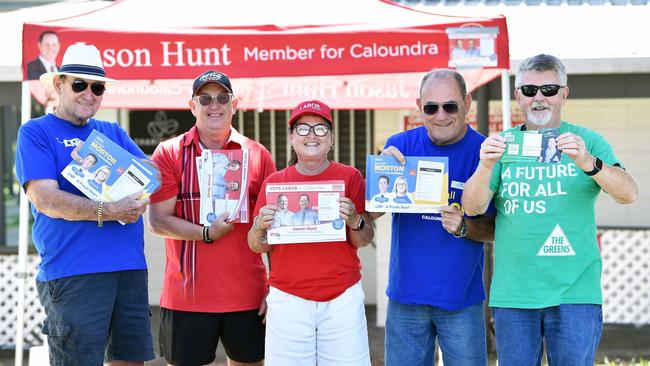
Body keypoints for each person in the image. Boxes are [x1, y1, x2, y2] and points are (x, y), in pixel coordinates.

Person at [462, 54, 639, 366]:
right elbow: (473, 207)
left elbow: (629, 194)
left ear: (564, 94)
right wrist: (485, 164)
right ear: (518, 96)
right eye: (530, 91)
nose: (539, 98)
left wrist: (589, 164)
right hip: (514, 295)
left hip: (575, 294)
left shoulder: (589, 141)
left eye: (549, 89)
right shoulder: (502, 145)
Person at [15, 43, 156, 365]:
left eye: (97, 87)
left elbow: (150, 179)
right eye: (79, 84)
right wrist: (109, 210)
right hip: (74, 271)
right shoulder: (35, 132)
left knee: (131, 359)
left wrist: (141, 192)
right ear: (59, 84)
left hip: (129, 268)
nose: (89, 93)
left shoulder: (112, 131)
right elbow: (46, 199)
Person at [148, 70, 276, 366]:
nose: (213, 105)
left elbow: (275, 230)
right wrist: (206, 233)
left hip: (248, 295)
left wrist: (275, 287)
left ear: (235, 104)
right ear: (192, 106)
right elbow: (157, 221)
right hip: (186, 297)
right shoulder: (169, 152)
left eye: (222, 98)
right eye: (205, 98)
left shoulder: (257, 154)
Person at [375, 69, 496, 366]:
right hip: (406, 298)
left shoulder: (485, 153)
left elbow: (495, 228)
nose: (440, 115)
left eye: (450, 106)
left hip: (461, 300)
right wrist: (383, 176)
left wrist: (464, 226)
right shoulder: (399, 145)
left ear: (467, 103)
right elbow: (372, 212)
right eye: (431, 107)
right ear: (419, 107)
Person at [248, 99, 374, 366]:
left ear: (331, 138)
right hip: (288, 298)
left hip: (342, 296)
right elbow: (256, 245)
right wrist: (260, 225)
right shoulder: (275, 183)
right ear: (292, 138)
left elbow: (364, 238)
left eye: (320, 128)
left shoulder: (350, 177)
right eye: (303, 129)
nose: (312, 135)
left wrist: (354, 220)